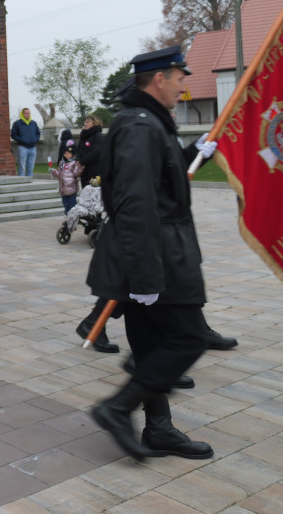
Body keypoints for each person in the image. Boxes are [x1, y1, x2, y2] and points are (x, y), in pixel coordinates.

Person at [87, 45, 220, 461]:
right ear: (160, 78)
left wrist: (192, 152)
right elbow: (136, 204)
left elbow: (159, 181)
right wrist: (145, 278)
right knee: (189, 337)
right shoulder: (141, 126)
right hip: (155, 254)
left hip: (155, 251)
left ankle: (158, 429)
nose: (185, 86)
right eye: (181, 78)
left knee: (150, 343)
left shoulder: (146, 122)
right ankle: (118, 407)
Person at [49, 142, 80, 215]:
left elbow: (76, 173)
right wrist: (53, 171)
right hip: (63, 188)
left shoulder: (74, 162)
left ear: (72, 154)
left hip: (71, 188)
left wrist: (80, 167)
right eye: (65, 153)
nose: (67, 155)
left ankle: (73, 219)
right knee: (66, 205)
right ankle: (68, 219)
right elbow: (59, 173)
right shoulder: (62, 162)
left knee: (72, 205)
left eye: (69, 153)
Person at [75, 114, 104, 188]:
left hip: (94, 170)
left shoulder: (98, 135)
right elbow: (78, 149)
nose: (85, 124)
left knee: (94, 192)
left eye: (87, 122)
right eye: (85, 122)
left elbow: (95, 151)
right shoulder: (83, 136)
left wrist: (82, 161)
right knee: (85, 191)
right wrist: (78, 160)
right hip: (84, 170)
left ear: (94, 123)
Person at [10, 107, 40, 177]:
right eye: (26, 113)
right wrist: (22, 140)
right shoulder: (17, 124)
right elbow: (13, 135)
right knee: (22, 167)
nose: (27, 115)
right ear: (22, 114)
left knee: (31, 167)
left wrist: (35, 140)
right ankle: (21, 181)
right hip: (22, 147)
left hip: (33, 148)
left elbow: (38, 133)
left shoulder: (33, 123)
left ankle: (29, 181)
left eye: (29, 113)